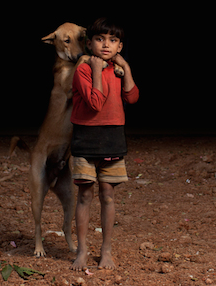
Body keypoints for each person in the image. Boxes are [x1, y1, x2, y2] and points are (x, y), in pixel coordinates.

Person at [69, 17, 139, 271]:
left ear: (120, 46)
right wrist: (98, 70)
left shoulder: (118, 70)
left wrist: (126, 68)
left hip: (112, 138)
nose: (106, 44)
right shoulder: (84, 70)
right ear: (89, 44)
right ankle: (82, 250)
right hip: (86, 139)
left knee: (107, 195)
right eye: (100, 39)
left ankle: (106, 251)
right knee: (85, 195)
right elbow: (95, 103)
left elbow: (132, 97)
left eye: (113, 40)